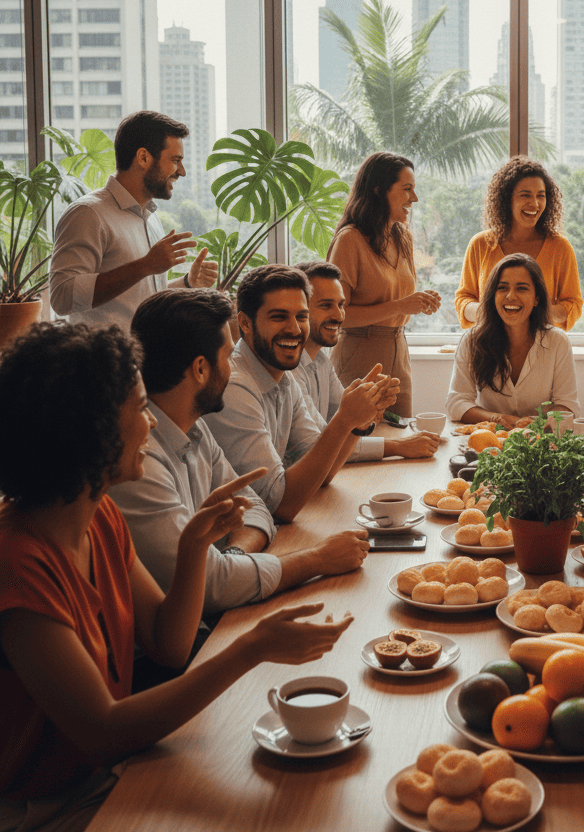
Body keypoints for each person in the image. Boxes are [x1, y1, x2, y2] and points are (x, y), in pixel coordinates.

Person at [0, 323, 351, 832]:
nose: (151, 425)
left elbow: (168, 645)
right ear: (90, 428)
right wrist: (250, 647)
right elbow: (102, 730)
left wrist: (193, 550)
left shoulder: (99, 518)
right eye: (139, 410)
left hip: (105, 776)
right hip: (45, 810)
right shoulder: (18, 564)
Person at [112, 288, 369, 629]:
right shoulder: (139, 464)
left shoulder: (196, 430)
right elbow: (213, 586)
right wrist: (317, 559)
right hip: (185, 641)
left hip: (212, 616)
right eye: (228, 356)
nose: (233, 369)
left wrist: (233, 558)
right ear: (201, 369)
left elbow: (256, 509)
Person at [203, 265, 389, 523]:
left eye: (301, 317)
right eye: (279, 317)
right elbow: (280, 505)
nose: (294, 329)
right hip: (231, 544)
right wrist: (345, 420)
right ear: (245, 323)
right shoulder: (234, 387)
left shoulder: (284, 377)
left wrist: (356, 424)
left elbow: (322, 473)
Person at [48, 111, 218, 330]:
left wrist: (187, 283)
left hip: (146, 359)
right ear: (143, 158)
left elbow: (137, 296)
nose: (181, 172)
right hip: (106, 361)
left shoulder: (151, 216)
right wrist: (145, 266)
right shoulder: (88, 214)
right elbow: (62, 298)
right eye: (175, 161)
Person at [327, 152, 440, 418]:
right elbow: (338, 317)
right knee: (362, 442)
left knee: (403, 439)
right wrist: (400, 305)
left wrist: (421, 301)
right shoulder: (349, 240)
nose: (414, 198)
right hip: (359, 353)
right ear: (379, 191)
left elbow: (399, 297)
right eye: (407, 189)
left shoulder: (402, 236)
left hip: (399, 350)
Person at [294, 261, 439, 460]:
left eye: (341, 305)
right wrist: (396, 446)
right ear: (298, 308)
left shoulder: (320, 360)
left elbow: (345, 424)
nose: (339, 315)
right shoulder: (290, 371)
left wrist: (370, 410)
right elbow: (318, 446)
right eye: (326, 305)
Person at [446, 253, 580, 427]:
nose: (510, 296)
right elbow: (456, 404)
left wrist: (534, 425)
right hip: (489, 441)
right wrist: (497, 418)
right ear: (493, 296)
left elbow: (568, 407)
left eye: (522, 288)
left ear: (536, 299)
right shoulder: (472, 340)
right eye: (502, 288)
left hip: (540, 439)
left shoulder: (558, 342)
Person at [455, 158, 583, 331]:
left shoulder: (560, 248)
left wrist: (532, 312)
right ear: (507, 199)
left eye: (541, 196)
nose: (535, 203)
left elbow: (573, 305)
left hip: (542, 348)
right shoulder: (481, 244)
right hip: (489, 349)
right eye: (525, 195)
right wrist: (493, 312)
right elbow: (463, 300)